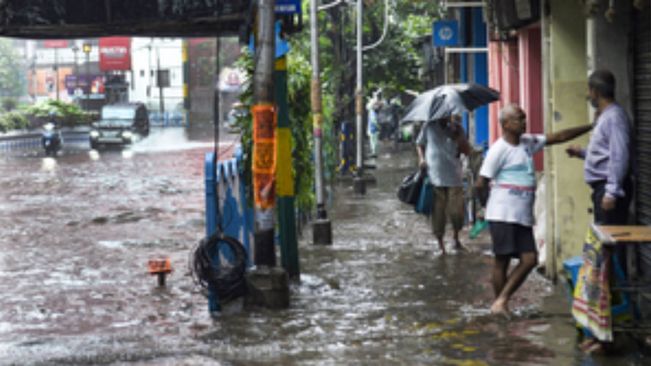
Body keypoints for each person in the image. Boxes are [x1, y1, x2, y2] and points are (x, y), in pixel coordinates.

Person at [475, 104, 592, 315]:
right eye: (519, 119)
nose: (524, 122)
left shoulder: (528, 142)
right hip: (502, 214)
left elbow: (559, 136)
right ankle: (501, 304)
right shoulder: (498, 150)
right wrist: (485, 207)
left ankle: (501, 301)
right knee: (501, 260)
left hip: (522, 215)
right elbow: (480, 182)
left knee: (529, 260)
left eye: (524, 118)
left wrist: (591, 126)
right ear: (506, 124)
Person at [566, 69, 632, 225]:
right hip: (603, 187)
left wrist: (611, 192)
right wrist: (582, 153)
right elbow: (606, 153)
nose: (588, 95)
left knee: (610, 240)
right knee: (603, 240)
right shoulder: (605, 117)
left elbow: (619, 155)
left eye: (589, 91)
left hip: (608, 187)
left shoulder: (614, 118)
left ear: (595, 92)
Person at [416, 114, 470, 254]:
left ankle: (456, 238)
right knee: (438, 214)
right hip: (435, 177)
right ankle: (441, 245)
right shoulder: (428, 126)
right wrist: (421, 159)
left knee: (457, 212)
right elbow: (420, 144)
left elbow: (466, 150)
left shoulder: (458, 128)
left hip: (454, 176)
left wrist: (457, 135)